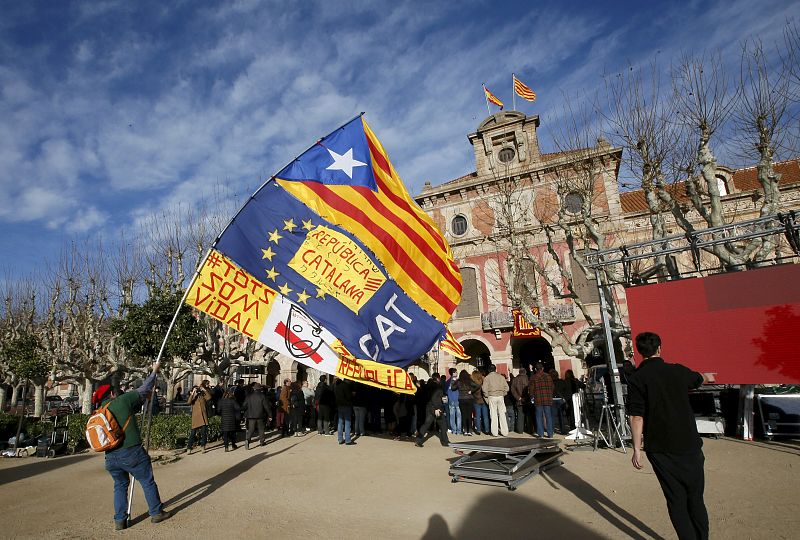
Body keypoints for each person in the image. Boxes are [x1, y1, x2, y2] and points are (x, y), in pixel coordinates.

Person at [628, 332, 711, 540]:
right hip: (689, 444)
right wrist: (708, 376)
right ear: (659, 348)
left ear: (639, 352)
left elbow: (636, 417)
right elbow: (699, 378)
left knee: (676, 500)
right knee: (695, 497)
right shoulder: (677, 371)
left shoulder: (637, 378)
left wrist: (637, 449)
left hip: (660, 448)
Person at [93, 364, 171, 530]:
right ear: (113, 394)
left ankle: (119, 520)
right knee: (147, 481)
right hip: (131, 452)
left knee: (119, 486)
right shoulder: (121, 401)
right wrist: (154, 371)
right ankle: (156, 513)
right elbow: (144, 388)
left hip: (110, 456)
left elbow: (135, 405)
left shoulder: (100, 410)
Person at [415, 374, 449, 448]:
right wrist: (437, 408)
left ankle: (418, 440)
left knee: (426, 425)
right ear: (437, 378)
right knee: (443, 425)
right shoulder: (437, 387)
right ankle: (445, 441)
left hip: (429, 407)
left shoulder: (428, 386)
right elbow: (435, 399)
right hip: (436, 408)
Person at [482, 364, 509, 436]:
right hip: (500, 396)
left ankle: (495, 432)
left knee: (493, 415)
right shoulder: (501, 377)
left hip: (492, 396)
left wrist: (487, 396)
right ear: (495, 369)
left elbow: (484, 389)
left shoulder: (487, 378)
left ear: (489, 370)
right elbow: (507, 388)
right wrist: (503, 393)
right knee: (502, 414)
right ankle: (505, 432)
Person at [243, 383, 273, 450]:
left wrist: (246, 412)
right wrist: (270, 415)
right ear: (260, 389)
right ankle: (262, 442)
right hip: (260, 415)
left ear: (254, 388)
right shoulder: (262, 396)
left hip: (251, 415)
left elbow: (244, 406)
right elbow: (266, 407)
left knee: (251, 429)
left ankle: (247, 440)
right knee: (261, 428)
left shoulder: (249, 396)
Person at [529, 363, 554, 438]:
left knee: (538, 417)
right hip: (547, 398)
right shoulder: (548, 376)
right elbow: (552, 387)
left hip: (538, 399)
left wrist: (532, 396)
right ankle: (550, 434)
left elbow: (531, 389)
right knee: (548, 416)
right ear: (542, 368)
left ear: (536, 369)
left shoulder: (533, 377)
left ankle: (541, 434)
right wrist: (549, 394)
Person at [187, 380, 211, 453]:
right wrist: (193, 393)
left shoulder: (202, 395)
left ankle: (203, 446)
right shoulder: (193, 397)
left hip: (203, 416)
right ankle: (189, 448)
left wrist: (204, 390)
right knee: (193, 433)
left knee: (204, 433)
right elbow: (188, 402)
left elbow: (209, 398)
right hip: (196, 417)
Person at [334, 378, 356, 445]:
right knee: (347, 423)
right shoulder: (346, 386)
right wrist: (352, 394)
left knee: (340, 423)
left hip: (339, 405)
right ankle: (348, 440)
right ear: (348, 380)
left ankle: (340, 439)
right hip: (346, 405)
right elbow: (348, 396)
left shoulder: (337, 386)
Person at [470, 369, 489, 436]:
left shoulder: (472, 383)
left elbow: (471, 392)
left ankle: (478, 430)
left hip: (476, 401)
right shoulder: (483, 381)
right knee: (485, 416)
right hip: (483, 400)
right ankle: (487, 430)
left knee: (477, 416)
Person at [510, 367, 529, 433]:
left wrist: (518, 397)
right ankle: (530, 429)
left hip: (519, 400)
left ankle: (520, 430)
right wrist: (526, 397)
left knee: (520, 415)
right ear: (525, 372)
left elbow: (512, 390)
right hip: (527, 400)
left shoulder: (515, 379)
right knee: (528, 415)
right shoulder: (527, 378)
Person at [445, 368, 461, 435]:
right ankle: (459, 430)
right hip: (456, 399)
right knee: (458, 416)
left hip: (451, 399)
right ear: (453, 373)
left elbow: (445, 391)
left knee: (452, 416)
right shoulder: (458, 381)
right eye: (456, 372)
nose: (457, 373)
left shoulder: (448, 381)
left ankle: (454, 430)